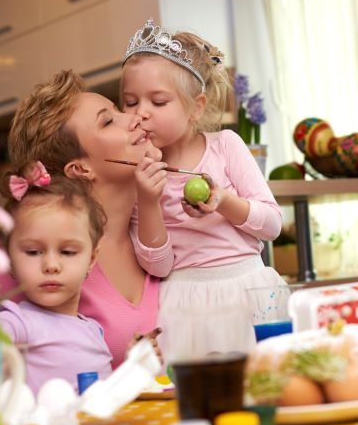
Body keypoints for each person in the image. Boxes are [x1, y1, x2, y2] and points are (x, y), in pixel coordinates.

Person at [121, 19, 284, 360]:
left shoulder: (225, 146)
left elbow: (271, 225)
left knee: (264, 382)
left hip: (247, 290)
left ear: (195, 107)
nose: (141, 114)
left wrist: (223, 201)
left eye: (158, 101)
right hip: (182, 302)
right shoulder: (137, 173)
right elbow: (159, 267)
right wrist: (148, 200)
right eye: (130, 102)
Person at [0, 70, 162, 366]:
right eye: (108, 121)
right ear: (79, 170)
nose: (133, 118)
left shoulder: (159, 229)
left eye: (118, 110)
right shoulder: (8, 255)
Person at [0, 168, 112, 393]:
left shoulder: (93, 329)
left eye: (67, 252)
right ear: (9, 258)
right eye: (33, 252)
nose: (51, 265)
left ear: (91, 259)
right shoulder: (17, 323)